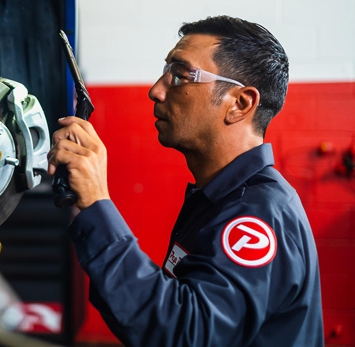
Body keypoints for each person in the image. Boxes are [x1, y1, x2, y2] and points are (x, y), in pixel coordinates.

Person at [47, 16, 323, 346]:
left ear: (239, 103)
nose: (156, 90)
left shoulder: (256, 217)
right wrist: (86, 207)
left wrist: (97, 203)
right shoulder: (219, 198)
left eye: (180, 76)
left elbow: (185, 333)